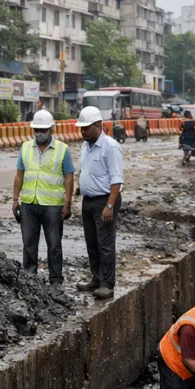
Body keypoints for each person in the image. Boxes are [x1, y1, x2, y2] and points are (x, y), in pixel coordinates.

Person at [12, 109, 75, 285]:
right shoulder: (25, 148)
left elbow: (69, 178)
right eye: (36, 130)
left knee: (54, 245)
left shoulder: (63, 150)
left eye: (43, 130)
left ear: (51, 129)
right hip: (29, 204)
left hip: (52, 206)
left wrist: (67, 203)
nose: (39, 133)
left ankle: (55, 279)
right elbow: (19, 176)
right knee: (29, 244)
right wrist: (15, 200)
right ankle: (29, 278)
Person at [74, 106, 124, 300]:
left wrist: (109, 206)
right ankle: (96, 278)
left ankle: (107, 284)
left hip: (105, 200)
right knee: (92, 242)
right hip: (88, 201)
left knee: (105, 243)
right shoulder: (85, 146)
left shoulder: (110, 147)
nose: (82, 131)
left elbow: (117, 179)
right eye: (81, 128)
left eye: (86, 128)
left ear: (97, 125)